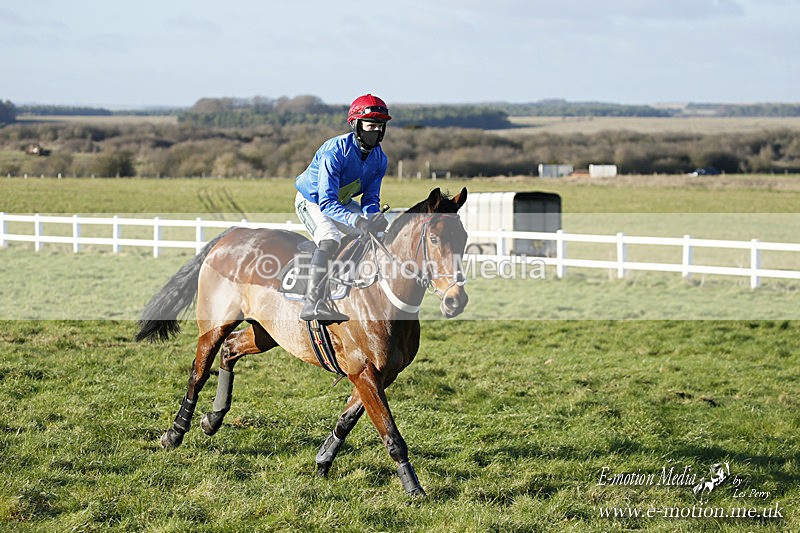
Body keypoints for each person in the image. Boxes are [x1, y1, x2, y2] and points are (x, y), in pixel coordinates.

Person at [294, 94, 391, 323]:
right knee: (330, 238)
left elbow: (370, 198)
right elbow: (327, 203)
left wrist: (372, 217)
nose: (375, 131)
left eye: (380, 126)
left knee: (376, 236)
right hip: (314, 201)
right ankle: (313, 301)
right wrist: (357, 221)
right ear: (356, 125)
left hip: (343, 200)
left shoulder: (380, 158)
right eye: (370, 125)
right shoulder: (334, 153)